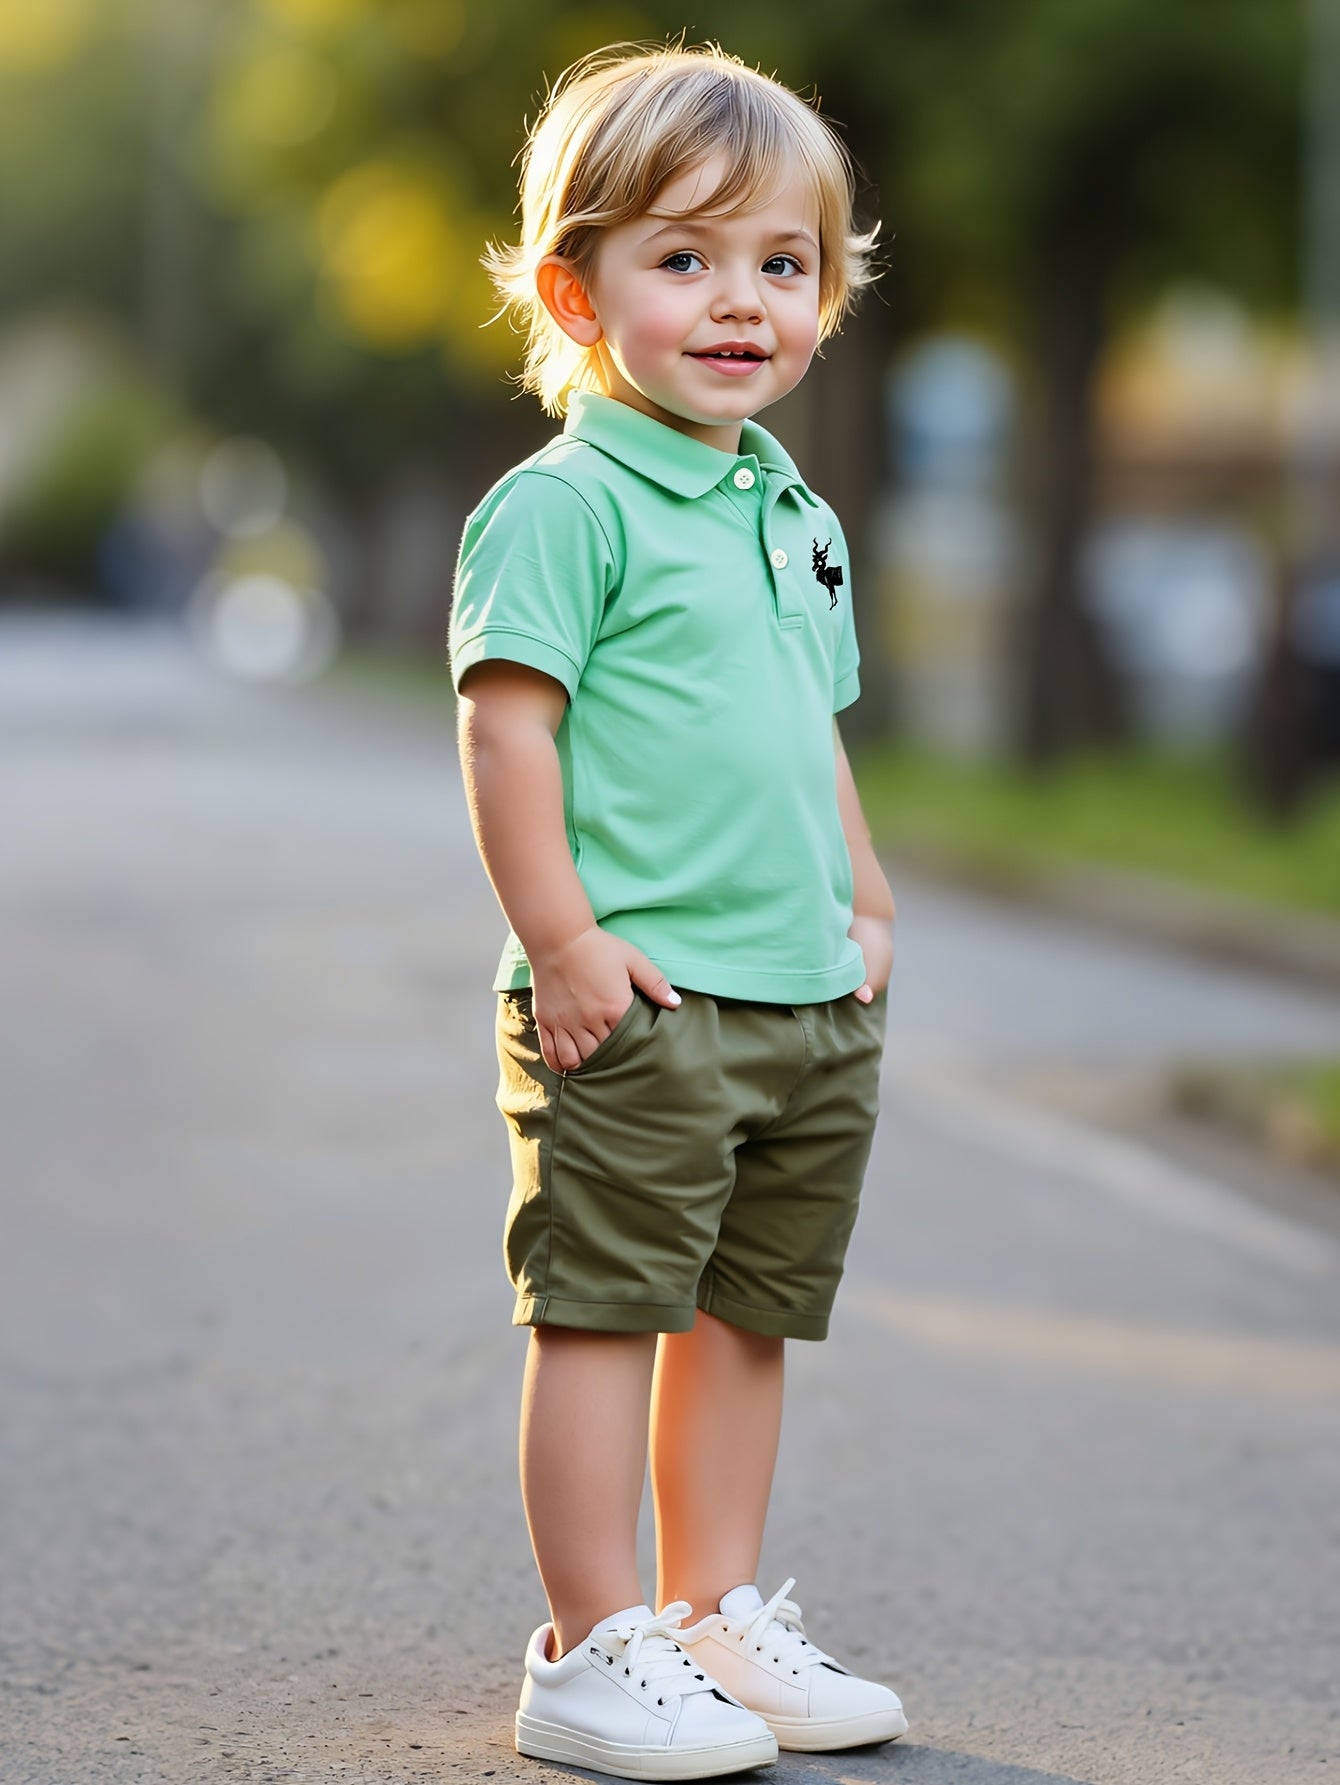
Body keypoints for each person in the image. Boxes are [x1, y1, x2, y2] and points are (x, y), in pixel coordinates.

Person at [449, 41, 904, 1781]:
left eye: (782, 263)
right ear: (579, 293)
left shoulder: (793, 508)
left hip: (803, 995)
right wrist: (567, 942)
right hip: (636, 996)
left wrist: (866, 901)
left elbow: (810, 724)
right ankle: (592, 1646)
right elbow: (508, 730)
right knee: (604, 1308)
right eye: (685, 258)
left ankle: (712, 1618)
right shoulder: (563, 506)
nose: (741, 302)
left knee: (744, 1311)